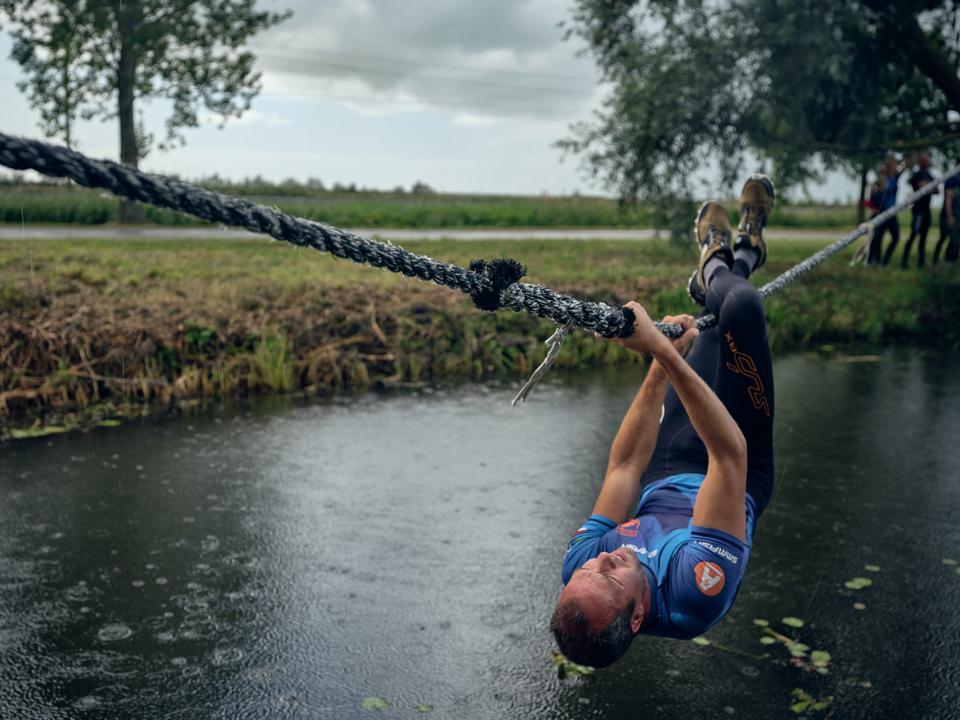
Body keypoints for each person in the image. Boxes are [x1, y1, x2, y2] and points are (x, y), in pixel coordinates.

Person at [551, 177, 776, 667]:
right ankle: (724, 261)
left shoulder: (580, 568)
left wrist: (660, 364)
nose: (600, 559)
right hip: (740, 468)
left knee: (719, 318)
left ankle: (737, 257)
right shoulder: (694, 592)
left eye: (589, 568)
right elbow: (728, 454)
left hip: (669, 464)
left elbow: (625, 467)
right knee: (741, 305)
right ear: (636, 618)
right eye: (609, 576)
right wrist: (656, 344)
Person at [901, 154, 936, 269]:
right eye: (924, 160)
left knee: (924, 237)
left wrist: (927, 186)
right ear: (920, 162)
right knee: (914, 234)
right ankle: (904, 260)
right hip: (918, 210)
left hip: (927, 210)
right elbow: (916, 185)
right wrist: (926, 187)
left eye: (928, 160)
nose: (927, 162)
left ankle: (921, 262)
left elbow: (936, 190)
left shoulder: (930, 175)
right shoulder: (916, 175)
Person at [877, 155, 905, 266]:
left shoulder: (895, 178)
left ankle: (885, 261)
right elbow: (880, 191)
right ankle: (877, 261)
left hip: (892, 213)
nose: (895, 167)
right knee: (878, 238)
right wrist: (883, 175)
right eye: (892, 165)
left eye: (895, 165)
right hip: (883, 212)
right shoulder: (882, 178)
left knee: (896, 238)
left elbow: (905, 166)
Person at [934, 164, 960, 264]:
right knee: (944, 237)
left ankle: (952, 260)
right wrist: (949, 215)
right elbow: (948, 197)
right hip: (949, 214)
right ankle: (938, 260)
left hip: (957, 214)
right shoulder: (953, 178)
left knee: (955, 239)